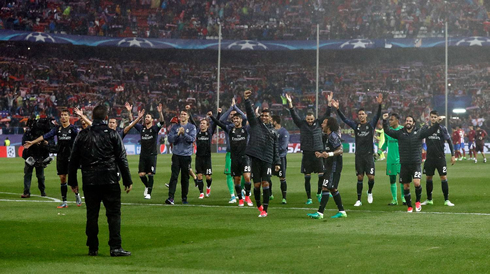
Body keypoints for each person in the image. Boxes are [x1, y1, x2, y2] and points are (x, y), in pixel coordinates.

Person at [68, 105, 133, 257]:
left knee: (92, 214)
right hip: (110, 179)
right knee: (114, 214)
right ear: (105, 118)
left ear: (93, 117)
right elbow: (121, 158)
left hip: (90, 180)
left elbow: (73, 159)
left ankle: (92, 247)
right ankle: (115, 247)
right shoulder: (112, 134)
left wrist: (72, 181)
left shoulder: (82, 135)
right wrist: (127, 179)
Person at [382, 113, 442, 212]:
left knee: (416, 182)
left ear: (413, 123)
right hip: (404, 164)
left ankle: (417, 202)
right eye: (407, 121)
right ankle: (409, 206)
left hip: (416, 163)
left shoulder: (419, 132)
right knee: (406, 186)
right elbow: (388, 131)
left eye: (410, 121)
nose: (408, 122)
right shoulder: (400, 133)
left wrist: (437, 124)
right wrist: (384, 121)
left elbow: (431, 131)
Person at [332, 94, 383, 206]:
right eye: (359, 114)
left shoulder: (370, 125)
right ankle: (359, 199)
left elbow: (378, 115)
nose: (361, 116)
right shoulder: (356, 126)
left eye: (362, 114)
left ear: (366, 116)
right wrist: (337, 109)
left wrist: (379, 105)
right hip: (359, 155)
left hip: (369, 155)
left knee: (371, 177)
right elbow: (345, 120)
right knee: (360, 177)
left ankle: (369, 192)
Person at [25, 109, 80, 208]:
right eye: (62, 115)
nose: (63, 117)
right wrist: (32, 142)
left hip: (71, 157)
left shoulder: (73, 129)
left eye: (65, 115)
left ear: (69, 117)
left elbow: (80, 139)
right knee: (62, 179)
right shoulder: (57, 129)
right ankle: (64, 201)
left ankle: (77, 195)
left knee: (72, 180)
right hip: (61, 157)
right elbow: (45, 136)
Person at [286, 93, 331, 205]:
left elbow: (326, 115)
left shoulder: (318, 123)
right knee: (307, 177)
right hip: (307, 153)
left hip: (318, 152)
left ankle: (319, 193)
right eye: (308, 119)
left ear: (314, 118)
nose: (310, 121)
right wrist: (290, 103)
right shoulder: (302, 124)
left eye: (311, 119)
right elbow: (294, 115)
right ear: (305, 119)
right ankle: (309, 198)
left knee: (321, 174)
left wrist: (329, 105)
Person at [244, 90, 280, 217]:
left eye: (267, 116)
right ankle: (259, 205)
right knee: (257, 185)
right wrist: (247, 100)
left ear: (270, 118)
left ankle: (265, 209)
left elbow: (276, 147)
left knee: (265, 183)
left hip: (268, 159)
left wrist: (277, 162)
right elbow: (249, 113)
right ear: (260, 116)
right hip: (256, 157)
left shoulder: (274, 131)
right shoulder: (255, 125)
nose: (264, 117)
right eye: (262, 115)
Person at [211, 111, 254, 207]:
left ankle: (247, 196)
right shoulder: (230, 130)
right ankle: (240, 199)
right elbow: (219, 123)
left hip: (245, 157)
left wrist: (237, 109)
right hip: (234, 158)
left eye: (237, 118)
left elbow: (252, 121)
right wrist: (212, 117)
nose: (235, 120)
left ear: (241, 119)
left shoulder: (246, 129)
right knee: (237, 180)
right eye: (234, 119)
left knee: (247, 177)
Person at [307, 116, 346, 219]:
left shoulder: (333, 136)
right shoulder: (327, 136)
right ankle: (342, 211)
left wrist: (330, 154)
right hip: (329, 165)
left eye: (324, 123)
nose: (322, 125)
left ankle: (320, 213)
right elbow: (328, 151)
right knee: (333, 188)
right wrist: (321, 155)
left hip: (334, 166)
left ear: (328, 126)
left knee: (325, 187)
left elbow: (340, 150)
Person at [421, 110, 456, 207]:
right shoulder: (426, 128)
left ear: (437, 118)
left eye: (435, 117)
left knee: (443, 177)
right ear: (430, 118)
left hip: (440, 158)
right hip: (429, 158)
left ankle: (446, 200)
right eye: (431, 117)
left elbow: (449, 141)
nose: (433, 118)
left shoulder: (442, 129)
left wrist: (453, 155)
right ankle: (429, 199)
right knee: (428, 177)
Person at [219, 99, 248, 203]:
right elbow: (221, 120)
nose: (232, 116)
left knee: (244, 173)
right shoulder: (228, 127)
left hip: (241, 153)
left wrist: (235, 108)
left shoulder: (243, 126)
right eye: (231, 115)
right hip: (230, 153)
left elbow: (244, 117)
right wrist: (230, 109)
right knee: (229, 174)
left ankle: (242, 191)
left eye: (235, 116)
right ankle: (232, 195)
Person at [165, 110, 196, 205]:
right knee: (174, 176)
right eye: (181, 114)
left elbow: (192, 139)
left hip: (186, 156)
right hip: (176, 155)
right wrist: (178, 134)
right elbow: (170, 139)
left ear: (188, 117)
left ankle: (184, 198)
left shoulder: (191, 127)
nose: (182, 116)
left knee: (185, 178)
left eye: (184, 114)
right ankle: (171, 198)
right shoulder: (175, 127)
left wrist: (184, 134)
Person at [134, 104, 164, 199]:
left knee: (150, 174)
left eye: (148, 117)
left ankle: (149, 194)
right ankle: (147, 186)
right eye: (145, 117)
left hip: (152, 155)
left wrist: (160, 112)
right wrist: (132, 114)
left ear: (151, 120)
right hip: (143, 155)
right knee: (141, 174)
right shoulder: (141, 128)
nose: (146, 118)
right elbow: (132, 123)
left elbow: (162, 121)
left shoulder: (154, 129)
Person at [378, 113, 405, 205]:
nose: (390, 121)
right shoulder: (388, 131)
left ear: (397, 120)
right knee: (392, 179)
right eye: (389, 120)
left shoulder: (402, 130)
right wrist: (380, 151)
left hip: (401, 159)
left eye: (392, 119)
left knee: (402, 179)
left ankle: (403, 198)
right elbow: (386, 143)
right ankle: (394, 199)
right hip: (391, 159)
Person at [21, 119, 52, 198]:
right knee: (31, 174)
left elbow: (50, 144)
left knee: (39, 176)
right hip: (31, 155)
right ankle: (27, 192)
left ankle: (41, 191)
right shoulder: (29, 133)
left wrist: (45, 143)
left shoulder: (43, 134)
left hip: (39, 155)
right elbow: (24, 143)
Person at [194, 110, 220, 199]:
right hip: (198, 157)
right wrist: (189, 112)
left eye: (204, 123)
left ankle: (208, 187)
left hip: (207, 158)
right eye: (201, 123)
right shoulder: (197, 132)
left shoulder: (209, 133)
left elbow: (215, 123)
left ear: (207, 125)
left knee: (208, 177)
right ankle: (201, 193)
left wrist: (218, 114)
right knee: (199, 176)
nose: (202, 125)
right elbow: (193, 122)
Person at [271, 115, 290, 204]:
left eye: (271, 120)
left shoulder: (284, 132)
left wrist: (273, 150)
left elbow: (283, 146)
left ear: (275, 122)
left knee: (282, 178)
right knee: (267, 176)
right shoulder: (270, 131)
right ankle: (270, 194)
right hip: (271, 158)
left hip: (280, 158)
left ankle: (284, 198)